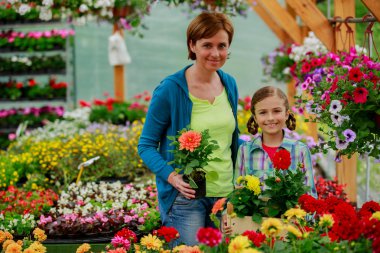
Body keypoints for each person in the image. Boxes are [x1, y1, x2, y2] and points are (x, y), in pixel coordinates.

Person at [138, 12, 240, 246]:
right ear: (192, 45)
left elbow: (229, 138)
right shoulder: (171, 89)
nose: (215, 53)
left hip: (225, 196)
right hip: (189, 195)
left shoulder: (229, 84)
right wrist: (172, 177)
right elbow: (145, 145)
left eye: (222, 46)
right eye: (207, 45)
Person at [235, 86, 318, 198]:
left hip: (292, 215)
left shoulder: (300, 151)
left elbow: (310, 197)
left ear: (286, 114)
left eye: (276, 111)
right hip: (254, 216)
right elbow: (238, 194)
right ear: (255, 117)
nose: (270, 118)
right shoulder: (245, 150)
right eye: (263, 112)